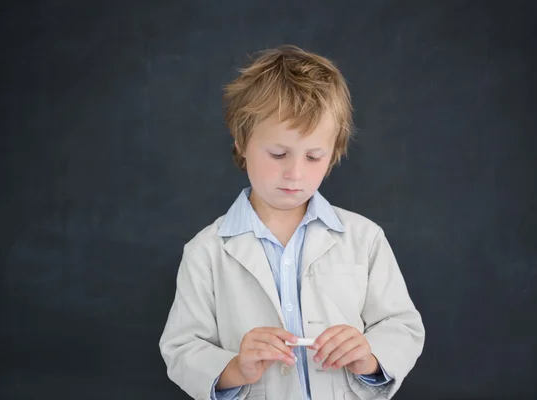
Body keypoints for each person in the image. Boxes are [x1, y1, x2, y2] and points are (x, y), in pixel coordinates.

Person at [159, 45, 425, 400]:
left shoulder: (364, 238)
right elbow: (182, 348)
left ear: (333, 154)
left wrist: (370, 357)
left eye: (314, 156)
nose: (295, 173)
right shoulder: (205, 251)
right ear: (241, 142)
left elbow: (401, 326)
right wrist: (235, 367)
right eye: (278, 153)